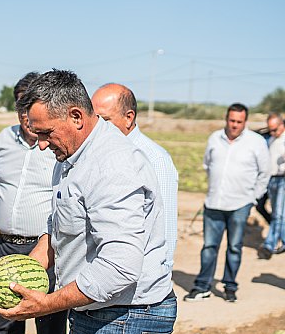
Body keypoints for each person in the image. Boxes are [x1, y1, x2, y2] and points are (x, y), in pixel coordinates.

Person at [0, 69, 176, 334]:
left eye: (45, 133)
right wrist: (32, 264)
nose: (40, 145)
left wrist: (46, 303)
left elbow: (118, 268)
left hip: (123, 318)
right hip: (94, 310)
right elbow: (60, 223)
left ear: (77, 116)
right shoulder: (71, 157)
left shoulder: (112, 165)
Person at [0, 72, 66, 334]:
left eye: (30, 107)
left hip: (46, 252)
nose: (25, 115)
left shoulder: (57, 147)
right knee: (3, 332)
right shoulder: (4, 140)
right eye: (20, 106)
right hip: (5, 248)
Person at [184, 103, 269, 302]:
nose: (234, 125)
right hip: (213, 203)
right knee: (209, 247)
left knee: (234, 247)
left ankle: (230, 287)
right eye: (232, 121)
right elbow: (207, 165)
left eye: (239, 122)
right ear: (226, 119)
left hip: (240, 205)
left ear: (245, 122)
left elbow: (264, 173)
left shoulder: (256, 142)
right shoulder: (214, 138)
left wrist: (253, 199)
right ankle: (202, 286)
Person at [91, 83, 179, 272]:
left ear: (129, 118)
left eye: (104, 120)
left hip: (141, 281)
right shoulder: (94, 153)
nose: (96, 127)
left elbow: (165, 227)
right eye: (94, 119)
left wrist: (160, 274)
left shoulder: (155, 159)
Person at [258, 112, 285, 259]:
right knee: (260, 206)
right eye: (270, 129)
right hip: (270, 179)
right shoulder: (270, 139)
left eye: (275, 129)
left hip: (283, 179)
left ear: (282, 125)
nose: (272, 132)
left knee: (279, 214)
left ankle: (269, 244)